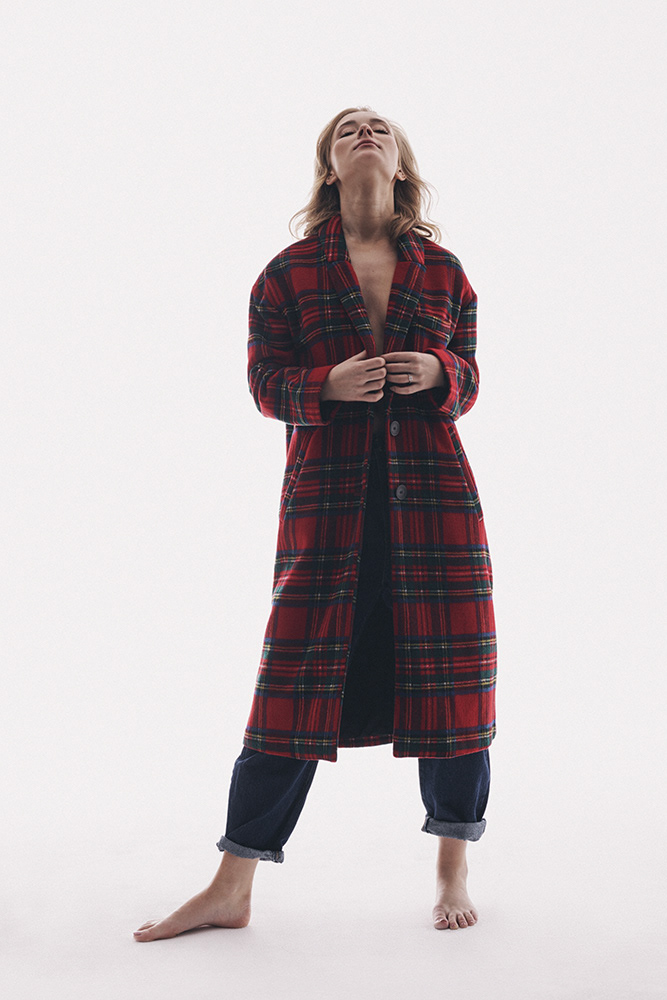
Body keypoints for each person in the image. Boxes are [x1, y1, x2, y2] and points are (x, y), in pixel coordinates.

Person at [134, 106, 497, 941]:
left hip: (436, 507)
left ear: (400, 163)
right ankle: (231, 886)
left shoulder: (444, 271)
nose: (364, 131)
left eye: (379, 127)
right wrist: (322, 387)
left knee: (454, 687)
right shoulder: (286, 273)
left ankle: (452, 864)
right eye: (346, 129)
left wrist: (439, 370)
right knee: (290, 690)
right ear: (329, 167)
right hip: (326, 508)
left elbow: (471, 378)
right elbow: (263, 382)